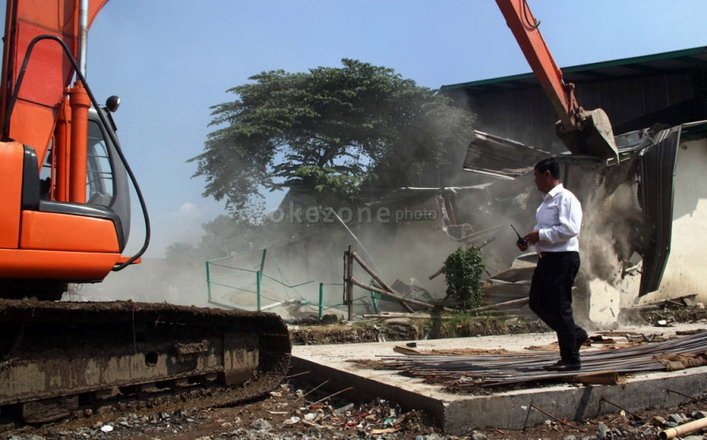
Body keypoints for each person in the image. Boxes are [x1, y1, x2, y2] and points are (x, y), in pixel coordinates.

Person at [517, 157, 587, 371]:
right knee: (537, 302)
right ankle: (575, 334)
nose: (535, 182)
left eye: (537, 177)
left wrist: (540, 234)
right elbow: (544, 233)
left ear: (548, 175)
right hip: (547, 259)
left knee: (560, 306)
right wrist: (529, 241)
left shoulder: (565, 198)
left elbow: (570, 229)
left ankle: (571, 359)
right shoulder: (545, 202)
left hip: (563, 259)